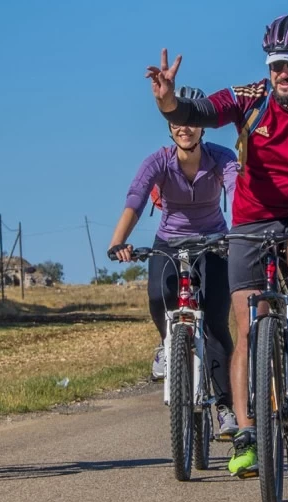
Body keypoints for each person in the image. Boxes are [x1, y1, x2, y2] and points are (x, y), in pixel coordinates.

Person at [145, 12, 288, 476]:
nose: (283, 74)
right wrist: (169, 102)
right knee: (248, 326)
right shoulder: (250, 99)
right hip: (251, 217)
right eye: (275, 65)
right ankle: (246, 432)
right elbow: (202, 112)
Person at [108, 86, 239, 439]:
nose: (185, 128)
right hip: (169, 242)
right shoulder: (158, 161)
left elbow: (238, 187)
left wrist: (241, 233)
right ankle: (168, 344)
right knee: (157, 297)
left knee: (214, 324)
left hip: (214, 243)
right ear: (169, 127)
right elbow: (136, 199)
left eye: (191, 121)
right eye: (177, 122)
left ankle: (226, 407)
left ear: (202, 127)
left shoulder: (222, 157)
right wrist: (118, 240)